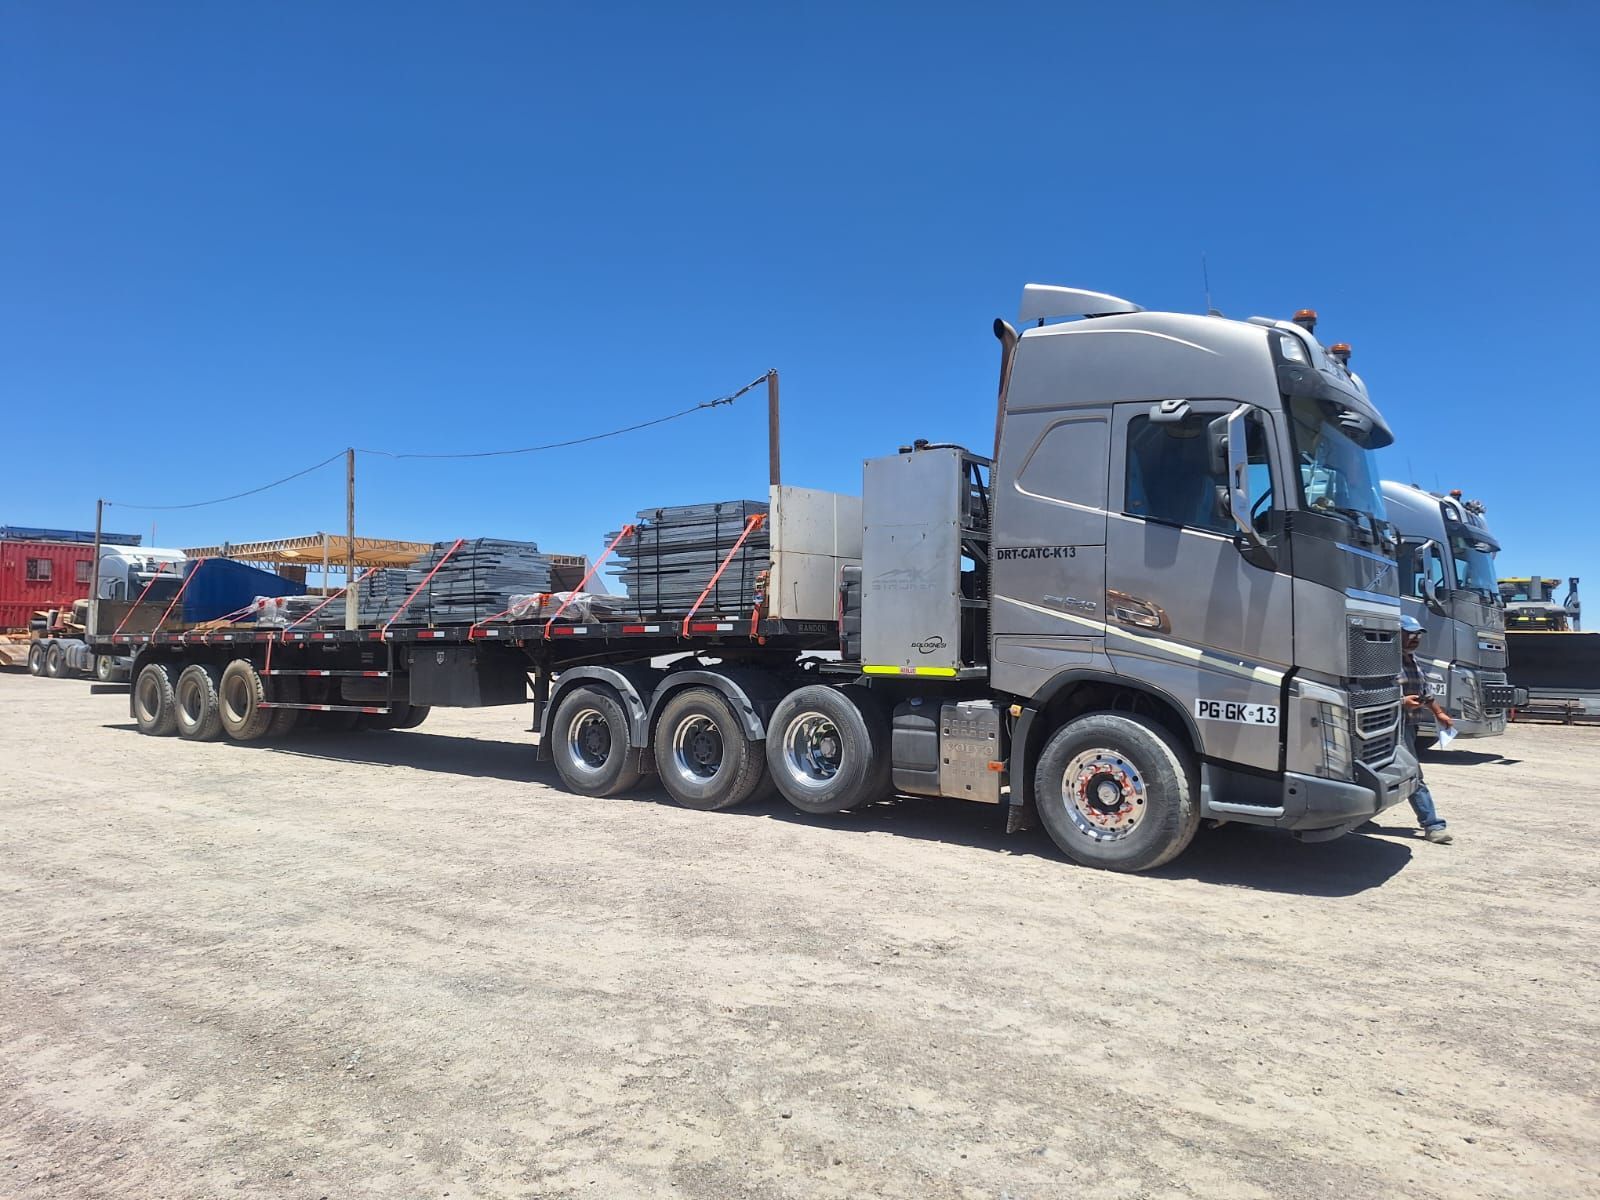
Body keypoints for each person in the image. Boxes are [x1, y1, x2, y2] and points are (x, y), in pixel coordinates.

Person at [1399, 614, 1453, 844]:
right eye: (1410, 634)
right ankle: (1433, 825)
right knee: (1412, 773)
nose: (1415, 639)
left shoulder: (1413, 660)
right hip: (1390, 726)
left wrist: (1439, 713)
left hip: (1409, 726)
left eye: (1417, 635)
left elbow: (1426, 693)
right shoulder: (1385, 661)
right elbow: (1369, 693)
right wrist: (1401, 702)